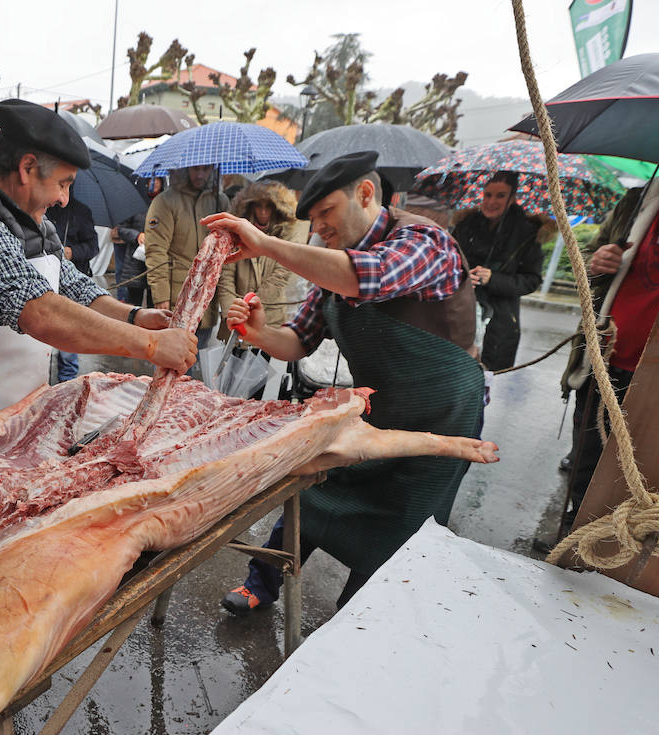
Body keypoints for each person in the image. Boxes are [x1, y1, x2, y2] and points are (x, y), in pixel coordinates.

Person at [204, 151, 483, 611]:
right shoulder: (331, 266)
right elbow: (297, 341)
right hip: (373, 409)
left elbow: (368, 278)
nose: (318, 229)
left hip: (439, 420)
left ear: (366, 194)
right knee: (312, 490)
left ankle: (355, 620)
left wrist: (266, 243)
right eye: (312, 220)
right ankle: (262, 580)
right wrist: (260, 333)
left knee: (400, 533)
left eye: (325, 213)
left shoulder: (424, 239)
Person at [0, 98, 197, 435]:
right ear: (27, 167)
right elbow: (39, 312)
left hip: (8, 411)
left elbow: (77, 290)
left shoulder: (37, 223)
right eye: (63, 183)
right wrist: (149, 346)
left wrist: (137, 317)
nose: (64, 199)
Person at [557, 101, 659, 536]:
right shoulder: (637, 202)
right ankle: (576, 533)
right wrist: (599, 259)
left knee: (649, 466)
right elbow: (591, 263)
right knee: (588, 454)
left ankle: (621, 543)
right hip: (609, 355)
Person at [451, 170, 542, 371]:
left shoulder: (527, 233)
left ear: (513, 198)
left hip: (500, 323)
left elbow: (531, 280)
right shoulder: (465, 225)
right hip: (459, 312)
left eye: (500, 195)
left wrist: (493, 279)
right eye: (488, 194)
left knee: (485, 381)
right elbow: (448, 260)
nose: (491, 201)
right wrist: (462, 275)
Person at [144, 163, 236, 346]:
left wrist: (228, 305)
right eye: (196, 169)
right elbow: (156, 251)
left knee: (197, 363)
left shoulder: (221, 201)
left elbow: (226, 257)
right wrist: (160, 296)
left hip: (207, 304)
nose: (200, 175)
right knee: (169, 360)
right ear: (185, 169)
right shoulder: (165, 202)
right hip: (175, 299)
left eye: (206, 169)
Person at [229, 179, 310, 327]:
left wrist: (252, 306)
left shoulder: (286, 234)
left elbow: (281, 275)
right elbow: (226, 277)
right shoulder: (237, 233)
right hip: (237, 316)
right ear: (250, 206)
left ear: (276, 208)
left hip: (271, 317)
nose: (263, 212)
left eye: (268, 207)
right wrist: (231, 310)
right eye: (258, 206)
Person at [45, 194, 100, 382]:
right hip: (44, 285)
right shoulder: (41, 208)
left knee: (67, 342)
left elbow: (93, 247)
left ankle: (66, 383)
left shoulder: (81, 211)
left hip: (72, 285)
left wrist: (73, 252)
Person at [111, 175, 163, 306]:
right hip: (135, 262)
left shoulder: (166, 204)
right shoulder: (135, 203)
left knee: (155, 304)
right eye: (151, 179)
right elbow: (121, 229)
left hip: (157, 260)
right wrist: (136, 235)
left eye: (157, 180)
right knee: (134, 304)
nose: (154, 182)